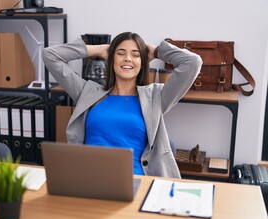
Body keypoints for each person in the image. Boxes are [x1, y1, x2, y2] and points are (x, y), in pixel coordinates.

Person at [42, 32, 202, 178]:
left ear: (142, 62)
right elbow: (50, 55)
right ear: (111, 59)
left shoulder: (156, 97)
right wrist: (98, 50)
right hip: (88, 178)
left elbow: (193, 62)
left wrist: (156, 51)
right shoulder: (88, 92)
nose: (127, 59)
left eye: (136, 54)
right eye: (120, 53)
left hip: (135, 180)